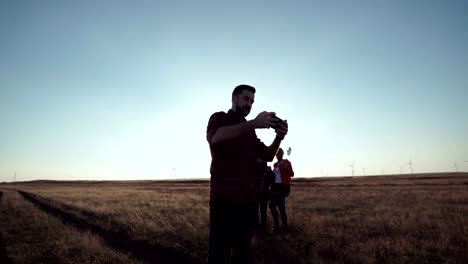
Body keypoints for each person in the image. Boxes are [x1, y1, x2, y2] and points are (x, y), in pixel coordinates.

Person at [206, 84, 288, 264]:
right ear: (234, 98)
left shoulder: (249, 130)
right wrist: (253, 123)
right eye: (246, 99)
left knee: (242, 254)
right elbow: (215, 137)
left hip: (247, 201)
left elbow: (267, 155)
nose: (249, 104)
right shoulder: (220, 118)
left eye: (252, 101)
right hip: (223, 200)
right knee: (219, 255)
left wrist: (279, 137)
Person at [269, 148, 294, 234]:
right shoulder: (275, 165)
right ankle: (279, 226)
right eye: (277, 153)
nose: (278, 154)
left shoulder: (286, 162)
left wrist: (286, 167)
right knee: (272, 206)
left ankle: (282, 227)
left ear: (282, 154)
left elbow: (292, 174)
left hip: (283, 187)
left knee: (280, 207)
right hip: (275, 187)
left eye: (280, 152)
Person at [254, 158, 274, 227]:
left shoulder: (267, 171)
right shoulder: (255, 170)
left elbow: (271, 181)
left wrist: (270, 172)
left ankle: (263, 225)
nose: (262, 161)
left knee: (263, 210)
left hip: (263, 193)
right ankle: (257, 225)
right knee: (256, 210)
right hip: (256, 192)